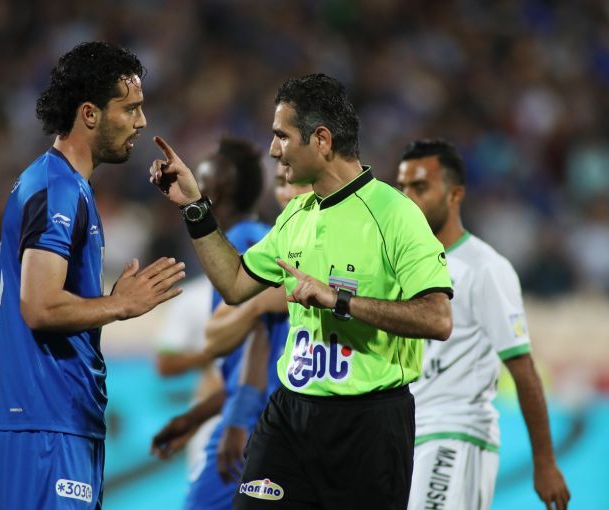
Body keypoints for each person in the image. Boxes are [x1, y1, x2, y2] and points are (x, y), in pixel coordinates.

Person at [149, 73, 453, 510]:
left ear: (322, 140)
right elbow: (234, 283)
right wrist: (195, 208)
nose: (274, 150)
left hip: (369, 424)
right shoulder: (296, 214)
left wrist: (340, 301)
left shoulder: (395, 215)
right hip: (291, 414)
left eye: (282, 136)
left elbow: (437, 318)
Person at [0, 41, 186, 510]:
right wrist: (121, 304)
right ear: (90, 114)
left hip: (62, 415)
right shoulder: (57, 189)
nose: (142, 121)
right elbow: (39, 305)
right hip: (44, 416)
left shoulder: (69, 187)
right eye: (130, 108)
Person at [398, 139, 570, 510]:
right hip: (404, 434)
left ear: (455, 194)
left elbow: (523, 368)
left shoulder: (485, 268)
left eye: (420, 187)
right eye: (403, 187)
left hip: (457, 434)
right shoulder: (401, 264)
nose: (408, 198)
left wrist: (544, 462)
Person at [151, 138, 290, 510]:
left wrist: (236, 421)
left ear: (215, 192)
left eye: (200, 182)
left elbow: (257, 341)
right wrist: (194, 417)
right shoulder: (263, 239)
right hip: (269, 413)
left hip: (251, 420)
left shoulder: (240, 246)